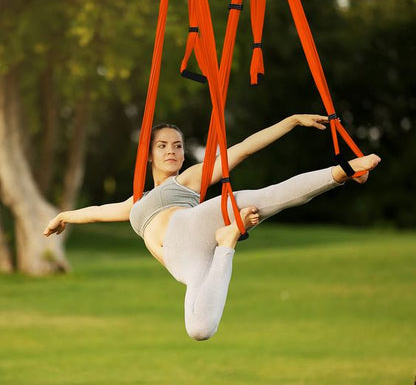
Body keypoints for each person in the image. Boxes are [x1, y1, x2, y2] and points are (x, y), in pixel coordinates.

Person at [44, 114, 381, 340]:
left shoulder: (188, 180)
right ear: (147, 154)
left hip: (191, 225)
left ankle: (342, 171)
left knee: (265, 198)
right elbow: (96, 212)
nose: (172, 152)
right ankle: (228, 242)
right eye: (162, 146)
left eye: (177, 145)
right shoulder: (134, 202)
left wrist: (290, 121)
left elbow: (242, 151)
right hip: (190, 266)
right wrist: (64, 216)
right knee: (199, 329)